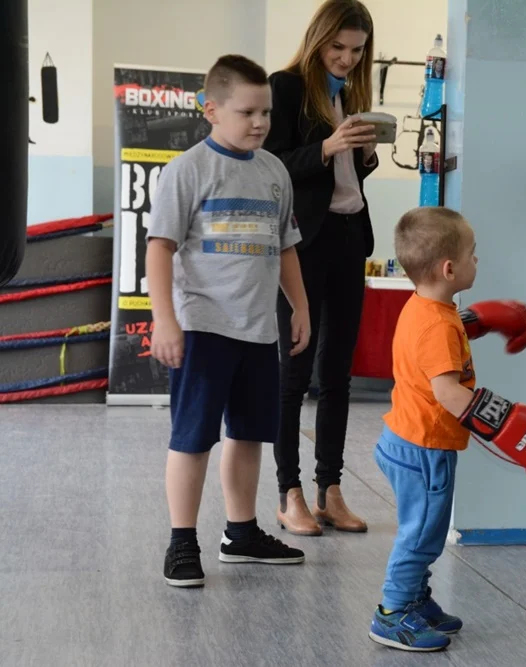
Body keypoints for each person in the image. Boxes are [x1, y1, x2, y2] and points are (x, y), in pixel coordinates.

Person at [368, 207, 526, 652]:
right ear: (449, 268)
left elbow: (440, 341)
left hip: (405, 438)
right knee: (421, 536)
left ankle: (414, 599)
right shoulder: (438, 326)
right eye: (472, 254)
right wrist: (511, 425)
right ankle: (392, 613)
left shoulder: (425, 309)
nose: (477, 260)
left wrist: (477, 322)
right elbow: (448, 392)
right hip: (424, 449)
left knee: (423, 530)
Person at [147, 54, 310, 587]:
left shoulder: (274, 171)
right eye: (247, 113)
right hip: (203, 327)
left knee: (248, 434)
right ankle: (181, 541)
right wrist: (164, 319)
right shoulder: (188, 170)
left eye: (266, 112)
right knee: (192, 437)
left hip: (257, 328)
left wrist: (301, 306)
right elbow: (159, 248)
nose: (260, 123)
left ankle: (241, 534)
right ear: (212, 110)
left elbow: (286, 246)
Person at [263, 0, 379, 535]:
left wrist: (366, 155)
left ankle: (329, 489)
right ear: (318, 40)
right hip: (304, 244)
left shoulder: (349, 93)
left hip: (350, 236)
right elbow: (273, 165)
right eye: (338, 47)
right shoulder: (285, 87)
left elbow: (348, 179)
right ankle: (289, 492)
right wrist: (328, 146)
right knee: (295, 371)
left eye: (356, 50)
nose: (347, 58)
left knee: (337, 373)